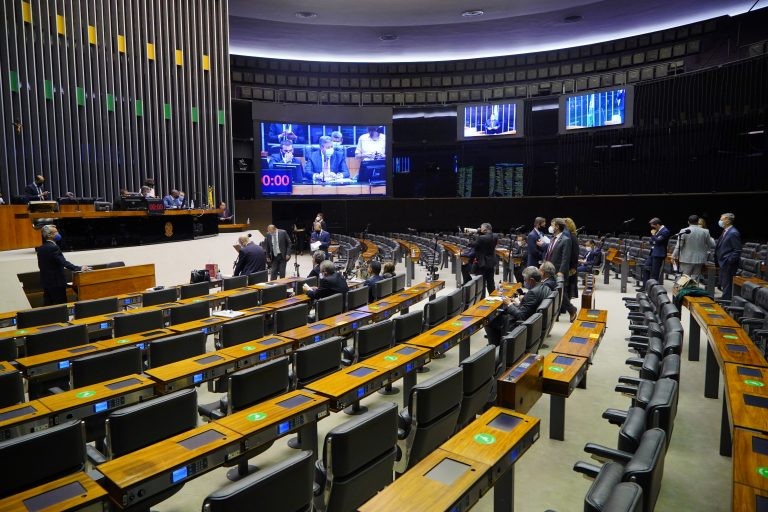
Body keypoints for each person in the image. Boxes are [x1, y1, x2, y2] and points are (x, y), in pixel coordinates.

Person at [484, 266, 550, 346]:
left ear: (532, 280)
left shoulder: (532, 293)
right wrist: (516, 303)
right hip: (534, 320)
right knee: (500, 313)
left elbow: (521, 316)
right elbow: (529, 308)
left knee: (490, 319)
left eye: (525, 280)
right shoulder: (545, 288)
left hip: (521, 324)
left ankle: (496, 347)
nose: (524, 282)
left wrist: (509, 304)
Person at [36, 225, 91, 305]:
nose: (58, 234)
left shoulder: (41, 249)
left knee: (49, 308)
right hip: (57, 284)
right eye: (56, 232)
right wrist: (79, 268)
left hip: (46, 283)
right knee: (61, 307)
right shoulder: (53, 248)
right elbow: (64, 262)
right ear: (49, 235)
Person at [539, 218, 577, 321]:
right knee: (552, 292)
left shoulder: (566, 240)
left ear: (557, 227)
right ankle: (554, 315)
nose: (550, 227)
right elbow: (548, 254)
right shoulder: (552, 238)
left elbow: (566, 258)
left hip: (559, 271)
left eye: (552, 225)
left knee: (560, 293)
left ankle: (572, 309)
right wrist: (543, 265)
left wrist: (561, 271)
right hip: (549, 270)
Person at [671, 215, 715, 282]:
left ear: (688, 222)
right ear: (698, 222)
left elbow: (679, 246)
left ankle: (684, 292)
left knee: (684, 279)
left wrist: (673, 256)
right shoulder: (705, 231)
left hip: (686, 259)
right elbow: (712, 244)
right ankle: (693, 292)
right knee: (695, 280)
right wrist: (709, 237)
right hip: (699, 259)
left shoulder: (684, 230)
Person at [715, 212, 741, 301]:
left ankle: (726, 305)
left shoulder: (733, 232)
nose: (720, 221)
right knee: (724, 284)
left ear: (727, 220)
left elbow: (737, 250)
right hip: (723, 262)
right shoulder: (726, 231)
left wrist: (729, 261)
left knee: (727, 285)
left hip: (728, 264)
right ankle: (724, 300)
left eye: (722, 219)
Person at [467, 222, 498, 296]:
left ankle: (482, 299)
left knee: (482, 283)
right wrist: (480, 233)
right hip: (491, 262)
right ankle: (493, 298)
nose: (480, 229)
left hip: (482, 263)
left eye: (481, 227)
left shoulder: (481, 238)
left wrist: (470, 236)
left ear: (484, 229)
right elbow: (486, 239)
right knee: (491, 282)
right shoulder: (495, 236)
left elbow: (471, 244)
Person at [639, 217, 671, 289]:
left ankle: (652, 289)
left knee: (654, 273)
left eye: (653, 226)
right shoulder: (658, 230)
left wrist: (653, 235)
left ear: (657, 224)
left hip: (659, 254)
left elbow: (658, 241)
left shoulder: (665, 231)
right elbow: (652, 241)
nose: (652, 228)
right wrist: (654, 239)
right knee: (646, 268)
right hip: (653, 252)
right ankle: (645, 287)